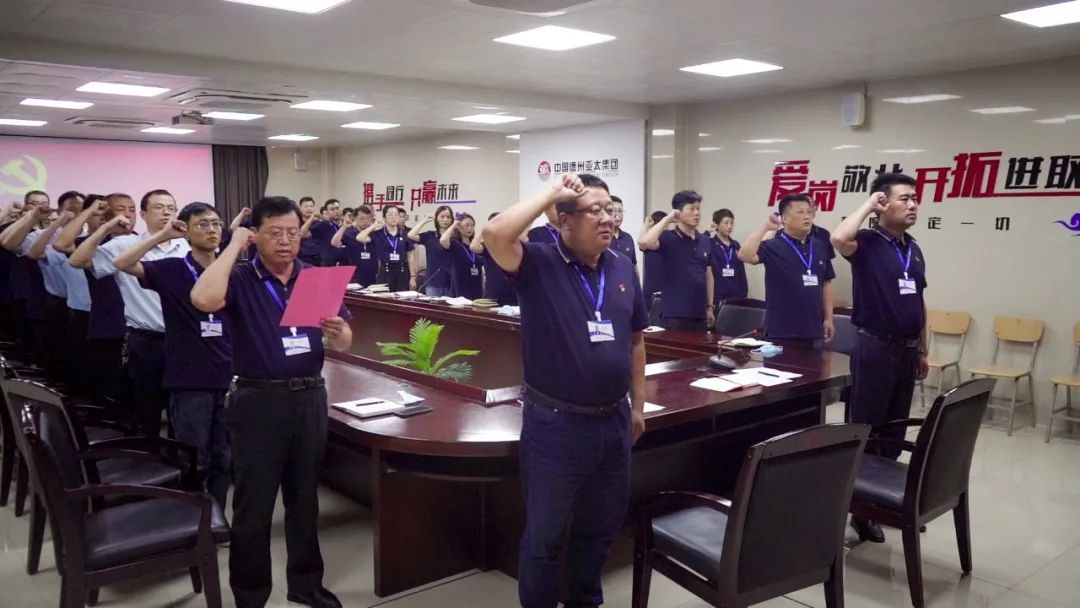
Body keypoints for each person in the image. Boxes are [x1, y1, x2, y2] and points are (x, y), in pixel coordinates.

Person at [483, 173, 647, 608]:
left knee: (600, 529)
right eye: (595, 210)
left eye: (610, 209)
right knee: (546, 536)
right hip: (556, 426)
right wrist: (551, 193)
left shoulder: (622, 266)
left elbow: (636, 342)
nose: (607, 218)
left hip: (614, 421)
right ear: (563, 219)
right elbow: (494, 234)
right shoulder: (537, 263)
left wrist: (638, 406)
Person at [191, 196, 352, 608]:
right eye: (275, 233)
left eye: (292, 233)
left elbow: (345, 340)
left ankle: (306, 585)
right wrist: (232, 246)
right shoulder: (240, 277)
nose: (285, 241)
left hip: (309, 397)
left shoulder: (314, 277)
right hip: (257, 401)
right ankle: (250, 595)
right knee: (254, 505)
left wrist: (339, 333)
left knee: (304, 499)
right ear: (256, 235)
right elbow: (203, 300)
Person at [113, 202, 233, 509]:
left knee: (224, 457)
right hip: (190, 379)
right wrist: (162, 235)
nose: (212, 230)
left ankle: (217, 518)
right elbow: (122, 263)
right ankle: (192, 516)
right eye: (202, 224)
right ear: (186, 231)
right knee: (194, 457)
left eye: (216, 224)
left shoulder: (230, 271)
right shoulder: (172, 269)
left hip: (228, 377)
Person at [831, 173, 929, 543]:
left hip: (906, 350)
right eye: (905, 198)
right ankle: (858, 509)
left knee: (895, 429)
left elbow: (919, 300)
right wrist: (869, 205)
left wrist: (922, 348)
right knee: (868, 428)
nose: (913, 204)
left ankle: (881, 501)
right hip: (875, 347)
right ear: (883, 203)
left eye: (915, 198)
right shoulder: (868, 243)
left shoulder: (912, 248)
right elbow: (838, 238)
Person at [71, 189, 190, 436]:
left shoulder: (186, 245)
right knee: (147, 410)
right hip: (146, 339)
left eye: (171, 208)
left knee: (182, 411)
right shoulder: (125, 245)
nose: (166, 212)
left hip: (184, 339)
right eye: (159, 207)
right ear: (143, 214)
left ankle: (181, 457)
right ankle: (150, 456)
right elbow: (77, 261)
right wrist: (106, 228)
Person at [55, 193, 135, 411]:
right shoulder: (92, 244)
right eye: (121, 209)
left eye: (132, 209)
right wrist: (91, 212)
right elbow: (61, 244)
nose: (128, 214)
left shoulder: (140, 240)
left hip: (137, 323)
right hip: (107, 322)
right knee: (107, 386)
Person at [738, 194, 835, 345]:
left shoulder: (819, 246)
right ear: (784, 218)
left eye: (809, 212)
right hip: (781, 332)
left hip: (814, 331)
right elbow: (744, 255)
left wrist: (829, 319)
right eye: (800, 212)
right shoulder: (773, 245)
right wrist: (765, 227)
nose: (807, 216)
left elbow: (826, 284)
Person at [638, 190, 714, 330]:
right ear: (678, 212)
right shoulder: (667, 238)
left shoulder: (705, 241)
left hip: (699, 314)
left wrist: (710, 307)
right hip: (674, 315)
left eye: (698, 209)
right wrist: (667, 219)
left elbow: (708, 274)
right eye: (691, 209)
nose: (697, 213)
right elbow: (644, 242)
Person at [1, 192, 52, 365]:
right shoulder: (18, 230)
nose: (40, 207)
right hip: (20, 289)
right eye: (34, 203)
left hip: (46, 292)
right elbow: (6, 241)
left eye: (44, 203)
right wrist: (25, 218)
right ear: (26, 205)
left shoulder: (52, 232)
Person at [357, 204, 416, 292]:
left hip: (402, 272)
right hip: (385, 271)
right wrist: (374, 226)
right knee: (383, 298)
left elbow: (410, 255)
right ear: (384, 218)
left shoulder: (404, 234)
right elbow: (360, 238)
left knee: (402, 298)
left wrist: (413, 277)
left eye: (396, 214)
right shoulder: (378, 234)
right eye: (390, 214)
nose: (394, 217)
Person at [407, 205, 456, 295]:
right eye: (442, 216)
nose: (445, 220)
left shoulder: (455, 237)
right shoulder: (430, 235)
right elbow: (411, 235)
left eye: (448, 217)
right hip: (433, 281)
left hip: (452, 282)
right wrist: (424, 221)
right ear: (437, 218)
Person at [471, 212, 517, 305]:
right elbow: (474, 246)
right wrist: (484, 229)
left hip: (513, 294)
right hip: (493, 295)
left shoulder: (512, 243)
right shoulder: (489, 244)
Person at [709, 209, 748, 310]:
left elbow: (741, 270)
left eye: (732, 223)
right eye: (726, 223)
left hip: (737, 294)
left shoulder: (736, 245)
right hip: (717, 295)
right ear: (717, 225)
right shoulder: (710, 244)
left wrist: (744, 292)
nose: (730, 226)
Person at [331, 204, 379, 287]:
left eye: (368, 218)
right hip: (355, 274)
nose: (365, 221)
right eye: (362, 218)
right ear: (355, 218)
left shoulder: (374, 233)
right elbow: (334, 243)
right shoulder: (350, 233)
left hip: (372, 275)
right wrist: (344, 227)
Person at [442, 212, 483, 299]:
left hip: (476, 289)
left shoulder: (475, 246)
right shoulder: (455, 244)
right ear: (459, 227)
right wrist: (454, 224)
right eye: (467, 225)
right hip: (460, 289)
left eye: (472, 225)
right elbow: (443, 240)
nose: (470, 228)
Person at [639, 210, 667, 313]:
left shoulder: (669, 241)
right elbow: (641, 242)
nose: (666, 228)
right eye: (664, 224)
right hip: (650, 291)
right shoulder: (650, 242)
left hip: (667, 291)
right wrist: (646, 224)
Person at [308, 199, 345, 267]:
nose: (336, 211)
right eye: (332, 209)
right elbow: (303, 234)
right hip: (328, 264)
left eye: (337, 208)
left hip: (346, 263)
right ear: (327, 212)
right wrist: (312, 218)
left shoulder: (347, 225)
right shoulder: (323, 225)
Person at [608, 195, 636, 265]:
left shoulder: (628, 237)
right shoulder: (602, 237)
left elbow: (633, 265)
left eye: (620, 211)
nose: (617, 215)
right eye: (614, 211)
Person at [297, 197, 322, 266]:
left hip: (319, 257)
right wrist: (311, 218)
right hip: (302, 257)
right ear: (300, 208)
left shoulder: (319, 223)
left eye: (311, 206)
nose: (309, 209)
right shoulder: (296, 222)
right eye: (306, 206)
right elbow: (301, 234)